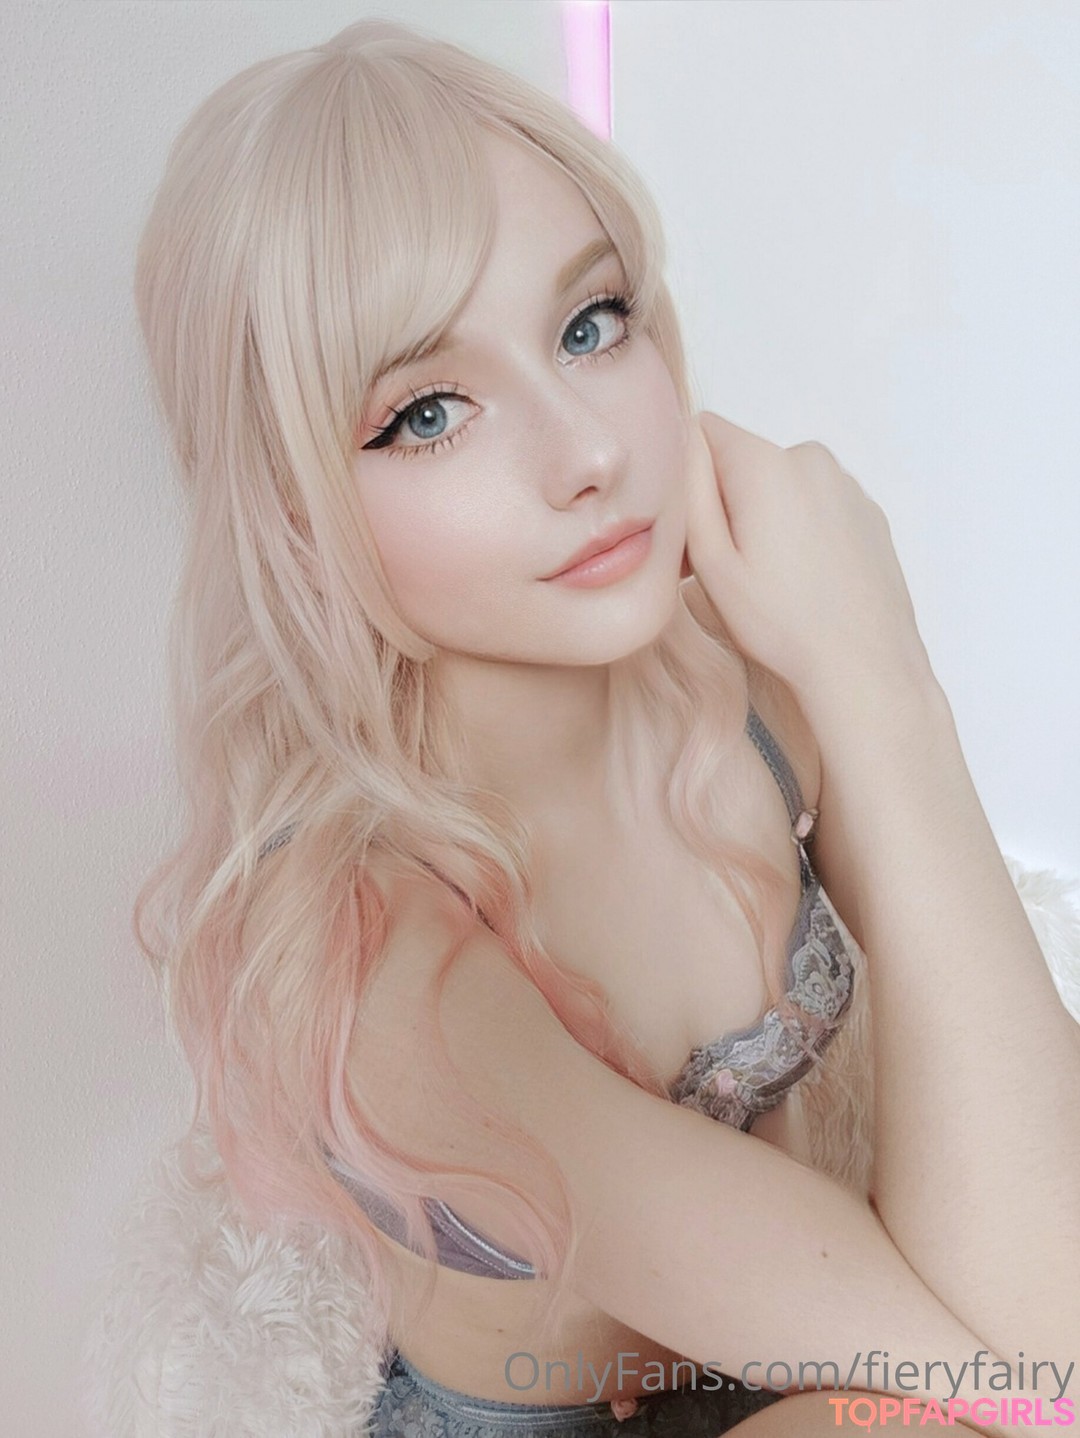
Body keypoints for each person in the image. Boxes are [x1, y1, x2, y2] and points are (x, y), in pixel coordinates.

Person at [131, 18, 1080, 1438]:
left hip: (832, 1369)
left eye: (589, 326)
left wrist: (874, 683)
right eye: (428, 413)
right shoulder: (380, 958)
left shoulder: (748, 695)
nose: (586, 453)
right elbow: (1031, 1376)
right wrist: (886, 684)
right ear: (293, 514)